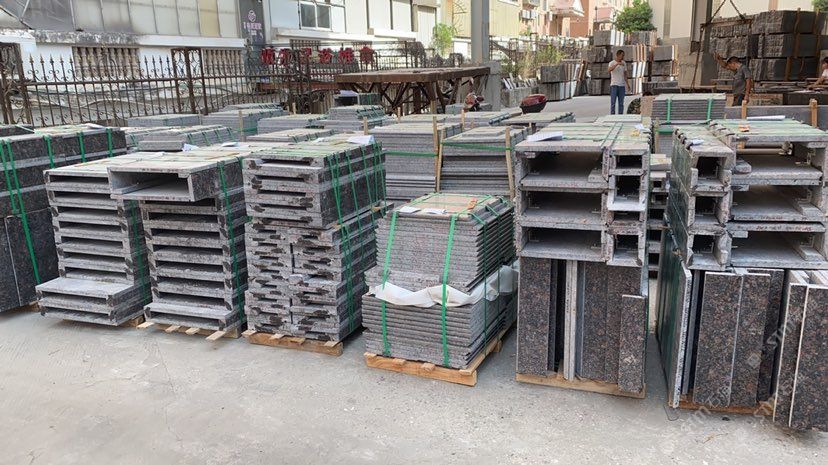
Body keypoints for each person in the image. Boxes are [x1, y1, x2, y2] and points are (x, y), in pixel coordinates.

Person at [608, 49, 632, 115]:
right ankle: (612, 116)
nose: (623, 57)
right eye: (622, 55)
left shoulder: (624, 63)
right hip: (614, 85)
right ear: (617, 55)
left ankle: (620, 116)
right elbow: (609, 70)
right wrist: (617, 64)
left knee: (621, 103)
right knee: (613, 103)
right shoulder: (612, 63)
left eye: (623, 55)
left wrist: (627, 84)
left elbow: (625, 74)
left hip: (622, 86)